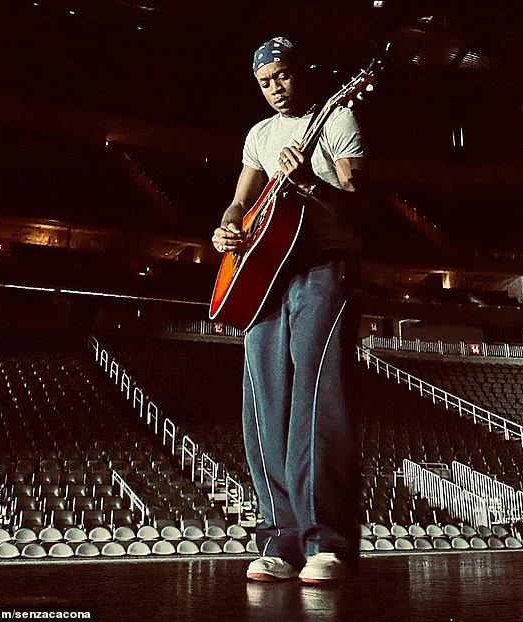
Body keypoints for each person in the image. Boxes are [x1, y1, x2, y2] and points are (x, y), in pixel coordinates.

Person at [211, 36, 367, 584]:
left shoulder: (339, 118)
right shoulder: (259, 134)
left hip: (323, 267)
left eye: (282, 76)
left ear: (303, 71)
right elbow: (240, 199)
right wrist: (226, 225)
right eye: (265, 82)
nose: (275, 88)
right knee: (263, 406)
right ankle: (280, 539)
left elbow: (357, 202)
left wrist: (306, 179)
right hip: (263, 274)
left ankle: (327, 540)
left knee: (318, 398)